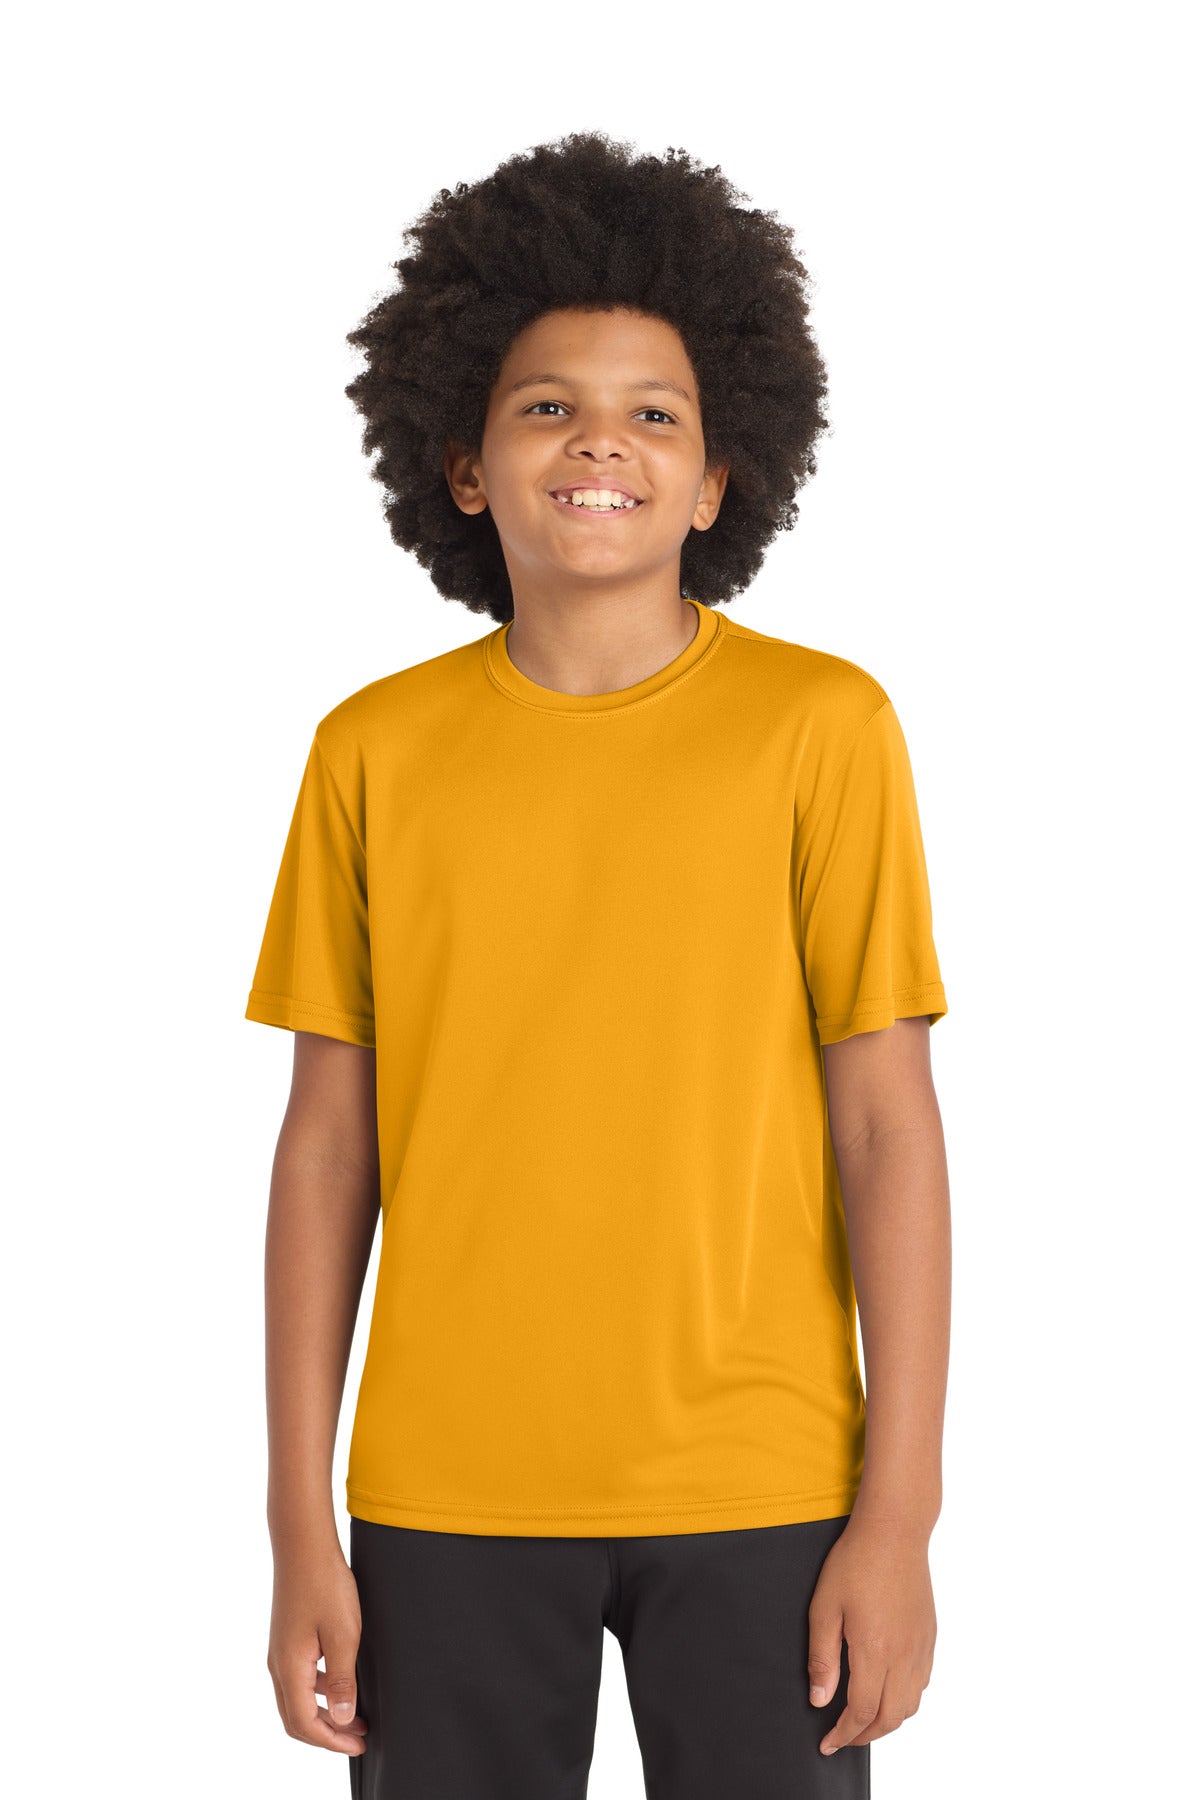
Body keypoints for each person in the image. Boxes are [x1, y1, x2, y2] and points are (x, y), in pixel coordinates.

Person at [244, 131, 951, 1800]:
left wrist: (902, 1516)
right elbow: (327, 1149)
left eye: (656, 414)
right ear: (463, 463)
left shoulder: (823, 730)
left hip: (767, 1484)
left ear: (716, 480)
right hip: (446, 1498)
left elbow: (886, 1131)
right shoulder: (371, 753)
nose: (600, 442)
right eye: (547, 404)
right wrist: (296, 1527)